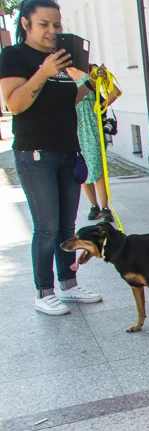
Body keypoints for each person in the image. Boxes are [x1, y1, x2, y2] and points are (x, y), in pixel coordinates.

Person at [0, 0, 102, 316]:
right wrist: (44, 72)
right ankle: (44, 292)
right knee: (46, 226)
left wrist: (87, 80)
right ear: (26, 25)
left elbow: (69, 98)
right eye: (44, 24)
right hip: (35, 153)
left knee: (65, 226)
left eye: (56, 25)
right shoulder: (13, 57)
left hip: (67, 151)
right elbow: (15, 104)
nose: (52, 31)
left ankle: (69, 286)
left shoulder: (61, 57)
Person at [76, 63, 120, 222]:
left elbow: (116, 92)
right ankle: (94, 206)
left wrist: (101, 106)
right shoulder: (63, 75)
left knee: (97, 166)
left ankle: (104, 206)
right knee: (81, 166)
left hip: (93, 128)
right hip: (75, 128)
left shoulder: (90, 71)